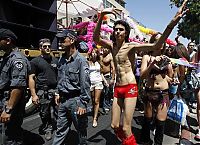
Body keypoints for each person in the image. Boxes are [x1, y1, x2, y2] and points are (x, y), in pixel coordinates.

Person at [93, 1, 188, 144]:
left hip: (130, 87)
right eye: (116, 29)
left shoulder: (131, 47)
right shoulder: (111, 46)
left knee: (126, 128)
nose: (117, 31)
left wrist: (172, 24)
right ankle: (128, 141)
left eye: (121, 29)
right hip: (117, 88)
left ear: (126, 33)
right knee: (113, 125)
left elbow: (155, 45)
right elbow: (96, 38)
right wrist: (101, 16)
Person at [52, 29, 91, 145]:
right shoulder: (62, 59)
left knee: (81, 133)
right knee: (60, 131)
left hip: (76, 101)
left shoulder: (81, 61)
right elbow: (60, 78)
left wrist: (83, 103)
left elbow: (85, 83)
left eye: (63, 39)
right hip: (63, 101)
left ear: (72, 40)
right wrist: (57, 92)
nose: (60, 42)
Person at [140, 33, 173, 145]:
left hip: (163, 93)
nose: (160, 43)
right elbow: (143, 75)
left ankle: (158, 143)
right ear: (153, 42)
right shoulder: (147, 57)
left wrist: (172, 79)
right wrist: (152, 63)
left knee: (160, 122)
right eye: (158, 40)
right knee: (147, 119)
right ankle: (145, 141)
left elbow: (168, 76)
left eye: (162, 40)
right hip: (149, 92)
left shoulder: (166, 58)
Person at [0, 28, 31, 145]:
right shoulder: (7, 57)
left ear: (8, 41)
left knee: (11, 138)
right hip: (4, 100)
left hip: (11, 104)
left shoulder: (17, 59)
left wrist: (8, 110)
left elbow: (18, 86)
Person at [29, 38, 58, 140]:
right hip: (43, 91)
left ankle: (59, 127)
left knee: (58, 110)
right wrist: (33, 94)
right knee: (44, 113)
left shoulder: (55, 60)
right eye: (44, 46)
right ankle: (47, 128)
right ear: (40, 48)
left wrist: (59, 91)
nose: (47, 48)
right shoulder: (35, 61)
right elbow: (31, 77)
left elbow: (59, 76)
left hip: (55, 90)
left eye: (49, 46)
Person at [88, 48, 104, 127]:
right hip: (91, 83)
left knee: (97, 100)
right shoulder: (88, 63)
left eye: (95, 53)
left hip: (98, 82)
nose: (94, 54)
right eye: (92, 52)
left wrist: (105, 81)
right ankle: (95, 111)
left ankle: (95, 118)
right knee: (93, 100)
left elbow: (101, 73)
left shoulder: (99, 62)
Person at [99, 47, 115, 114]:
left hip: (108, 76)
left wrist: (112, 78)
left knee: (107, 91)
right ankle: (105, 104)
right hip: (101, 75)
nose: (105, 49)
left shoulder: (110, 56)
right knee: (103, 91)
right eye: (103, 48)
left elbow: (113, 68)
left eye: (106, 48)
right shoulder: (100, 55)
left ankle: (106, 105)